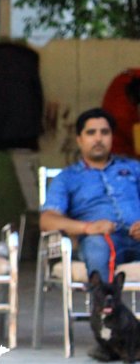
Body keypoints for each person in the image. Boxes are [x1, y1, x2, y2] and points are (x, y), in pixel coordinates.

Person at [41, 107, 140, 284]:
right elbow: (48, 220)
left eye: (105, 132)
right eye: (91, 132)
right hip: (101, 240)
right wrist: (88, 227)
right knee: (97, 246)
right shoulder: (67, 178)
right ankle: (105, 301)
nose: (98, 138)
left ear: (112, 137)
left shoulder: (134, 168)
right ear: (79, 139)